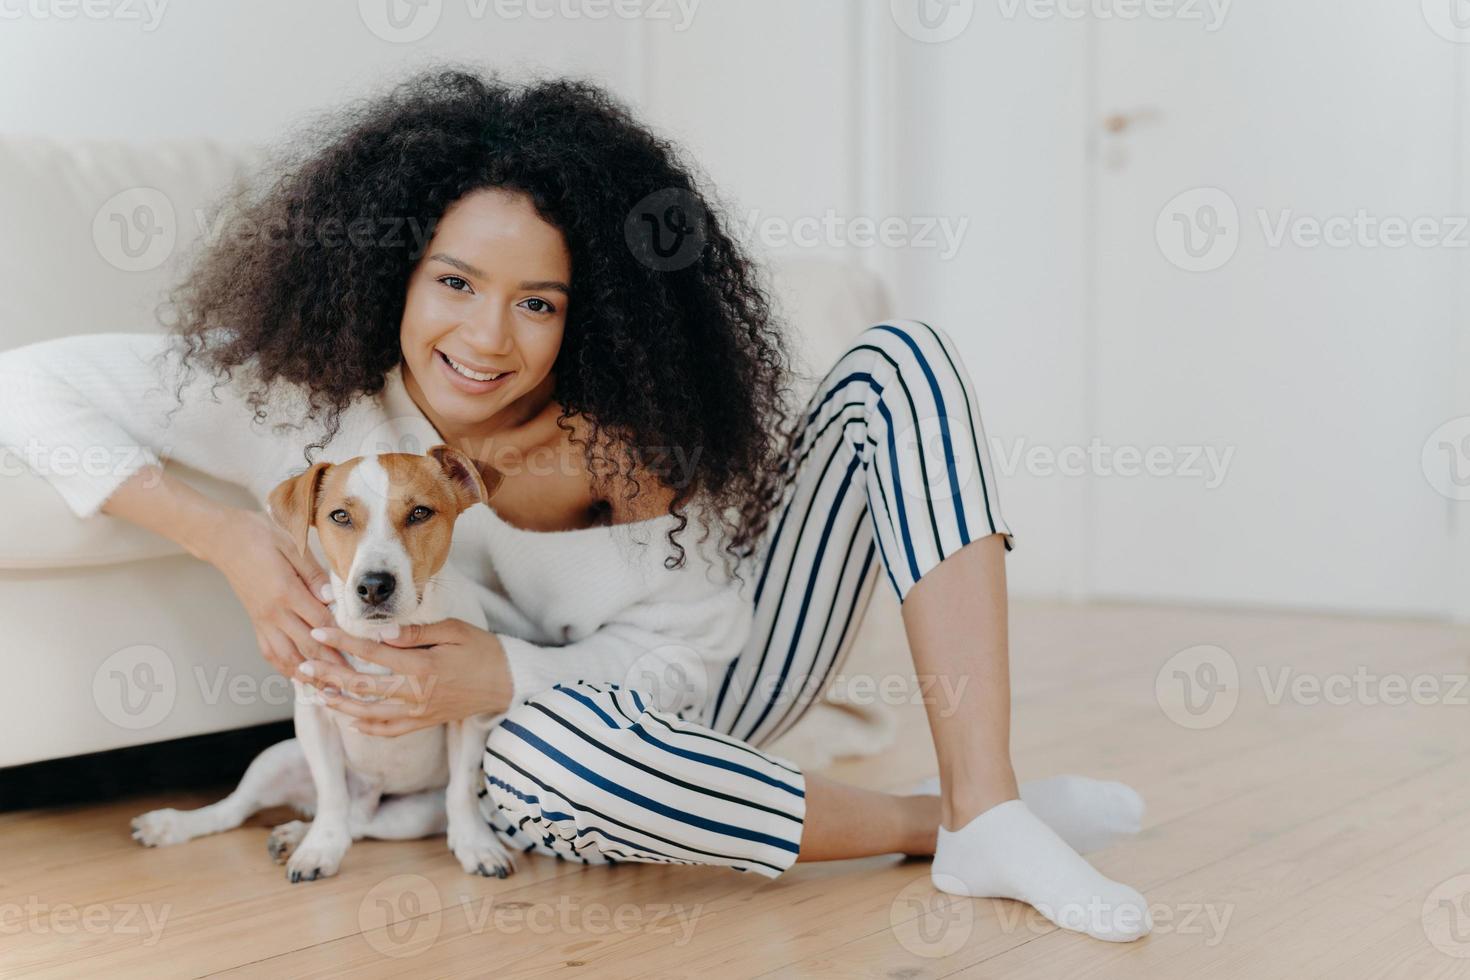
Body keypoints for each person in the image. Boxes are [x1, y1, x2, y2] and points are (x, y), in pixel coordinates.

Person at [0, 68, 1150, 942]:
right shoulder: (298, 404)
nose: (488, 339)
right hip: (556, 755)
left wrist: (505, 672)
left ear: (584, 309)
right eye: (454, 282)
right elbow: (25, 381)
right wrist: (234, 541)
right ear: (392, 269)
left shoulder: (628, 423)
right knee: (554, 768)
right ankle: (934, 826)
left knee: (898, 358)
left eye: (537, 302)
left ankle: (990, 798)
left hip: (723, 679)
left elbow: (693, 657)